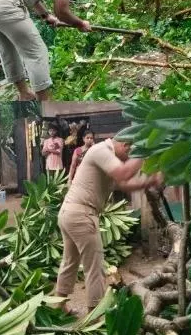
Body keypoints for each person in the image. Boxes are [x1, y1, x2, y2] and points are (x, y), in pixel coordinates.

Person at [54, 132, 164, 315]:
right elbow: (124, 173)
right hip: (81, 214)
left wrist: (150, 180)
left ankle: (58, 306)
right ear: (125, 145)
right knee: (94, 266)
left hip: (70, 213)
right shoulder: (101, 150)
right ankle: (94, 314)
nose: (128, 158)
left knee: (70, 261)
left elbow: (125, 184)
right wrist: (144, 151)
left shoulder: (106, 157)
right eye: (130, 153)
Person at [0, 0, 94, 101]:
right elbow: (61, 10)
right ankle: (45, 103)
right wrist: (80, 23)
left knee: (7, 49)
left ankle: (24, 94)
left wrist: (45, 15)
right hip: (7, 3)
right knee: (36, 52)